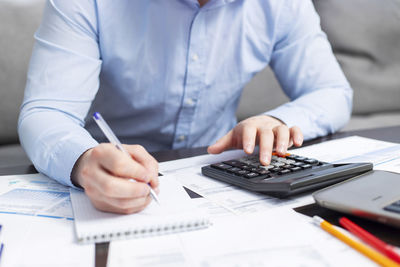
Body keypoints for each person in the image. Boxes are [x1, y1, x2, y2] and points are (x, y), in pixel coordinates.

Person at [18, 0, 352, 214]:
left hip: (215, 179)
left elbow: (332, 91)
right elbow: (46, 113)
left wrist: (278, 120)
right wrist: (83, 161)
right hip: (106, 182)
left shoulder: (282, 5)